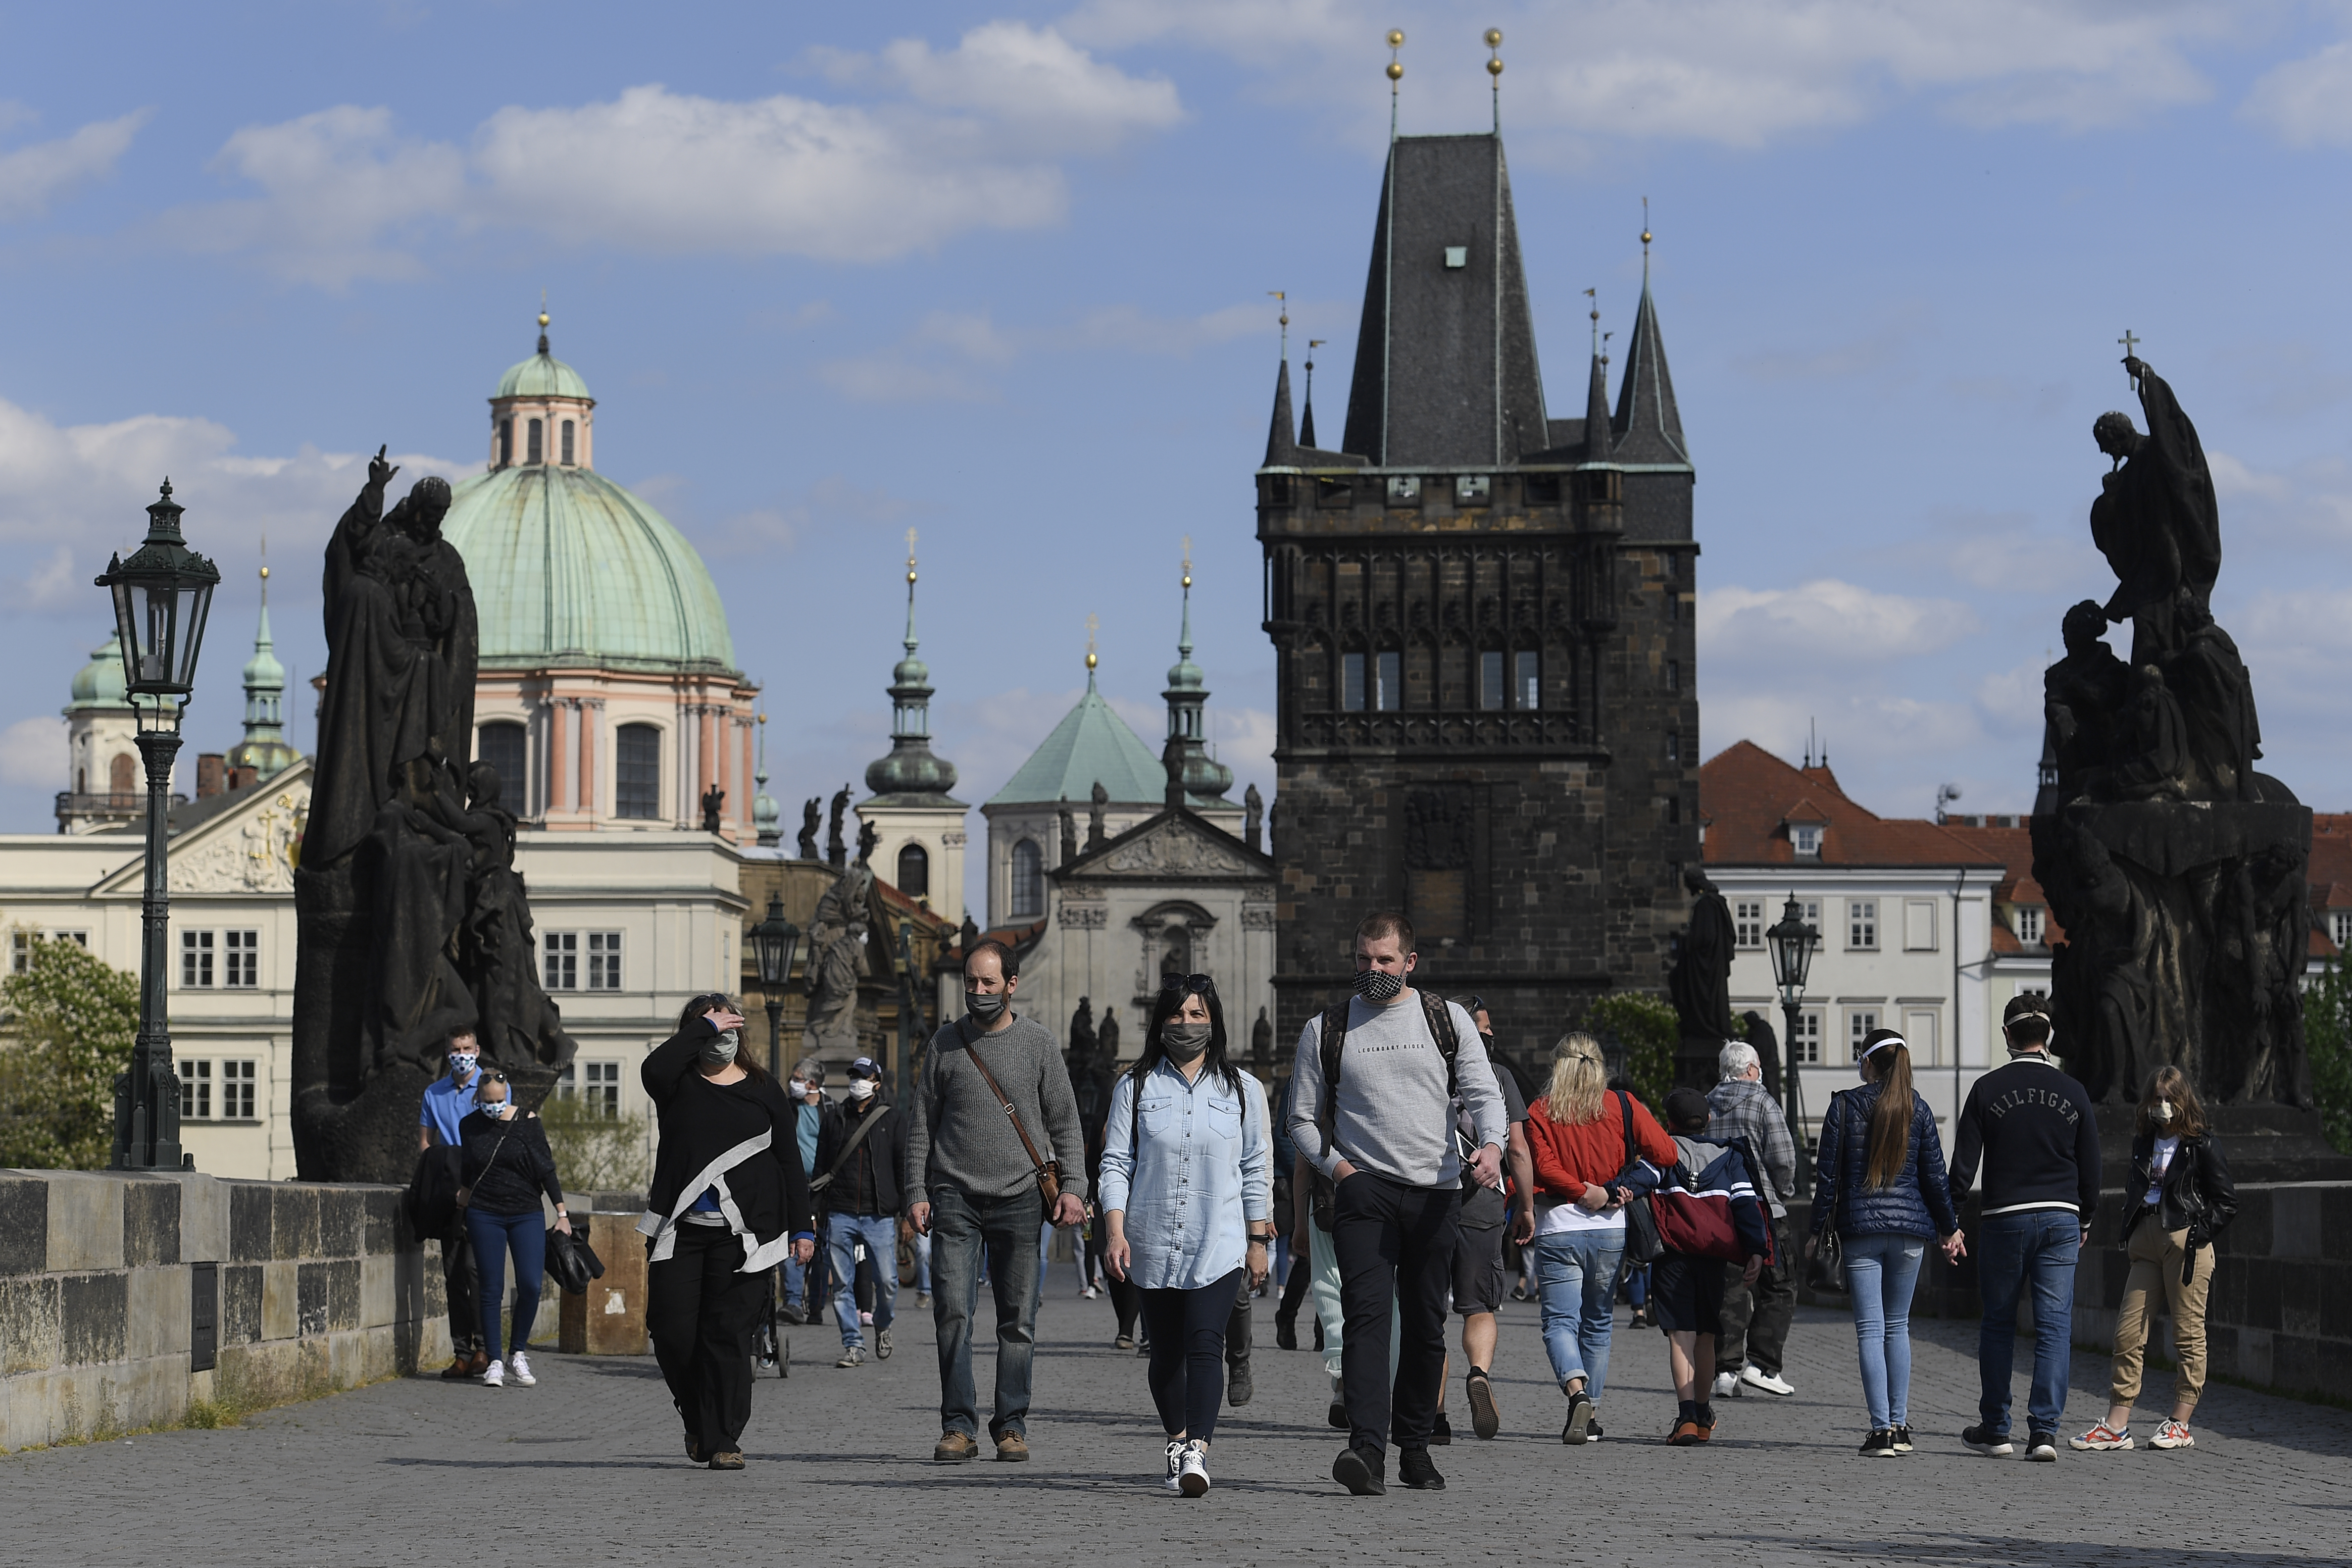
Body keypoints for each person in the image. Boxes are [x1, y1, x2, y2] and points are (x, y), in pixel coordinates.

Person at [1287, 911, 1506, 1497]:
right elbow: (1300, 1119)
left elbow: (1484, 1093)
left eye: (1384, 960)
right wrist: (1340, 1169)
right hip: (1364, 1189)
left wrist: (1491, 1145)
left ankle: (1414, 1447)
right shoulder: (1326, 1026)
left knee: (1426, 1323)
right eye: (1363, 959)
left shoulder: (1445, 1017)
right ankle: (1365, 1448)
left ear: (1410, 961)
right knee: (1365, 1319)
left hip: (1435, 1190)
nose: (1373, 970)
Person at [905, 940, 1089, 1464]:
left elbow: (1065, 1120)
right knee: (952, 1311)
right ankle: (957, 1426)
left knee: (1017, 1318)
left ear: (1011, 983)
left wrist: (1073, 1184)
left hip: (1020, 1195)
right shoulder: (944, 1043)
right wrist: (916, 1191)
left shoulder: (1037, 1043)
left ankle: (1009, 1424)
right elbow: (921, 1123)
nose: (978, 991)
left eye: (988, 983)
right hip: (954, 1193)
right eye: (971, 982)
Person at [1100, 974, 1273, 1497]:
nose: (1186, 1024)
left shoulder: (1244, 1089)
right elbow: (1115, 1162)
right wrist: (1113, 1230)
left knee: (1205, 1342)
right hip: (1151, 1239)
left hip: (1217, 1239)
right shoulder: (1133, 1087)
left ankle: (1197, 1447)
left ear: (1213, 1020)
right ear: (1161, 1022)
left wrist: (1258, 1238)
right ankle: (1175, 1437)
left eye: (1196, 1014)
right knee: (1166, 1355)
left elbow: (1256, 1165)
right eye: (1176, 1014)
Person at [638, 995, 817, 1470]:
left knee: (728, 1336)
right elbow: (652, 1067)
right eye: (709, 1028)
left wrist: (802, 1226)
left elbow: (788, 1162)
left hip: (746, 1236)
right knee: (672, 1332)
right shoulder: (675, 1083)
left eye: (727, 1025)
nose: (720, 1035)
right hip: (681, 1230)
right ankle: (696, 1416)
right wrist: (700, 1028)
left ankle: (724, 1439)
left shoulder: (763, 1087)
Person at [1949, 993, 2102, 1463]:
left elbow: (1963, 1165)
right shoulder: (2074, 1091)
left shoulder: (1986, 1089)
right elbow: (2091, 1163)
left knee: (1997, 1322)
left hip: (2004, 1217)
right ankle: (2044, 1433)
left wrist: (1949, 1220)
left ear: (2006, 1035)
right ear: (2047, 1037)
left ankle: (1996, 1428)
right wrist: (2086, 1214)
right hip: (2060, 1215)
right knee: (2054, 1326)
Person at [1807, 1028, 1963, 1456]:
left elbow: (1827, 1180)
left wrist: (1815, 1230)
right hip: (1911, 1232)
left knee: (1870, 1330)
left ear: (1869, 1063)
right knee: (1898, 1327)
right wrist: (1949, 1227)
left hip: (1861, 1230)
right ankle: (1900, 1423)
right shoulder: (1920, 1109)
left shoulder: (1844, 1105)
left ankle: (1879, 1431)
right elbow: (1935, 1178)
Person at [2072, 1066, 2238, 1453]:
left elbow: (2227, 1201)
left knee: (2188, 1332)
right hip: (2144, 1239)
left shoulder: (2201, 1144)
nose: (2162, 1106)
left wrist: (2197, 1233)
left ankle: (2180, 1421)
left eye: (2169, 1098)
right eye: (2156, 1098)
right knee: (2128, 1333)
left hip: (2185, 1240)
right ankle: (2117, 1425)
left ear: (2183, 1101)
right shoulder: (2142, 1142)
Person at [1522, 1033, 1675, 1446]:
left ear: (1558, 1066)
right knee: (1598, 1322)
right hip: (1610, 1227)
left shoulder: (1541, 1110)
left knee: (1559, 1321)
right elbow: (1666, 1152)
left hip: (1558, 1225)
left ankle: (1577, 1394)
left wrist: (1580, 1191)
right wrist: (1614, 1189)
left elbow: (1544, 1166)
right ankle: (1590, 1415)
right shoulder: (1621, 1104)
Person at [1644, 1088, 1765, 1446]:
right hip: (1713, 1257)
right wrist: (1756, 1250)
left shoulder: (1661, 1153)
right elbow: (1746, 1204)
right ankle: (1702, 1413)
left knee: (1681, 1335)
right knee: (1707, 1335)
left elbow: (1637, 1183)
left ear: (1669, 1122)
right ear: (1709, 1120)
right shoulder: (1729, 1157)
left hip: (1672, 1256)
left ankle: (1684, 1417)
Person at [1442, 995, 1534, 1442]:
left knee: (1428, 1313)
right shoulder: (1498, 1077)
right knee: (1478, 1306)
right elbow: (1516, 1147)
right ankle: (1478, 1373)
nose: (1492, 1034)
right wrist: (1527, 1207)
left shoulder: (1428, 1072)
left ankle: (1433, 1412)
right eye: (1485, 1026)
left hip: (1428, 1203)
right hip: (1481, 1202)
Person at [456, 1068, 568, 1389]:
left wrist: (561, 1212)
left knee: (531, 1285)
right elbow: (468, 1166)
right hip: (485, 1212)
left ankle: (517, 1352)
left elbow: (546, 1168)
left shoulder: (527, 1122)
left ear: (509, 1095)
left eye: (499, 1099)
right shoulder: (470, 1125)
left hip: (525, 1212)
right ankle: (493, 1359)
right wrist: (463, 1200)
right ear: (478, 1098)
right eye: (487, 1100)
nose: (493, 1105)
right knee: (490, 1288)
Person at [1708, 1040, 1801, 1400]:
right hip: (1763, 1211)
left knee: (1728, 1292)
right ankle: (1761, 1364)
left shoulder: (1707, 1103)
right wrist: (1781, 1191)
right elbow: (1783, 1156)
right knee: (1779, 1286)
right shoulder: (1762, 1100)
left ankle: (1725, 1371)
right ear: (1749, 1069)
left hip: (1721, 1212)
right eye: (1758, 1068)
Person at [813, 1056, 907, 1368]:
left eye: (863, 1077)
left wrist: (907, 1212)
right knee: (841, 1284)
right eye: (854, 1076)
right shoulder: (834, 1117)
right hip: (840, 1211)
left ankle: (882, 1324)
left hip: (879, 1213)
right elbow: (821, 1168)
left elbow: (902, 1167)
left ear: (877, 1083)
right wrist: (814, 1214)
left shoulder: (892, 1119)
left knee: (888, 1282)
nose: (856, 1082)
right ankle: (853, 1345)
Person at [419, 1028, 487, 1378]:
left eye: (467, 1048)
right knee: (451, 1273)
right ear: (448, 1053)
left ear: (477, 1050)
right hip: (449, 1187)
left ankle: (484, 1348)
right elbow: (426, 1143)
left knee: (476, 1270)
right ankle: (461, 1350)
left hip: (480, 1187)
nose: (461, 1054)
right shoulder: (435, 1092)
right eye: (455, 1050)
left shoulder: (489, 1086)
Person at [781, 1059, 829, 1323]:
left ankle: (816, 1306)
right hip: (793, 1186)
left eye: (797, 1078)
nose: (793, 1083)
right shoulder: (788, 1108)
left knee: (819, 1247)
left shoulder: (830, 1109)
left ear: (811, 1083)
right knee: (793, 1241)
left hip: (822, 1188)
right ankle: (792, 1302)